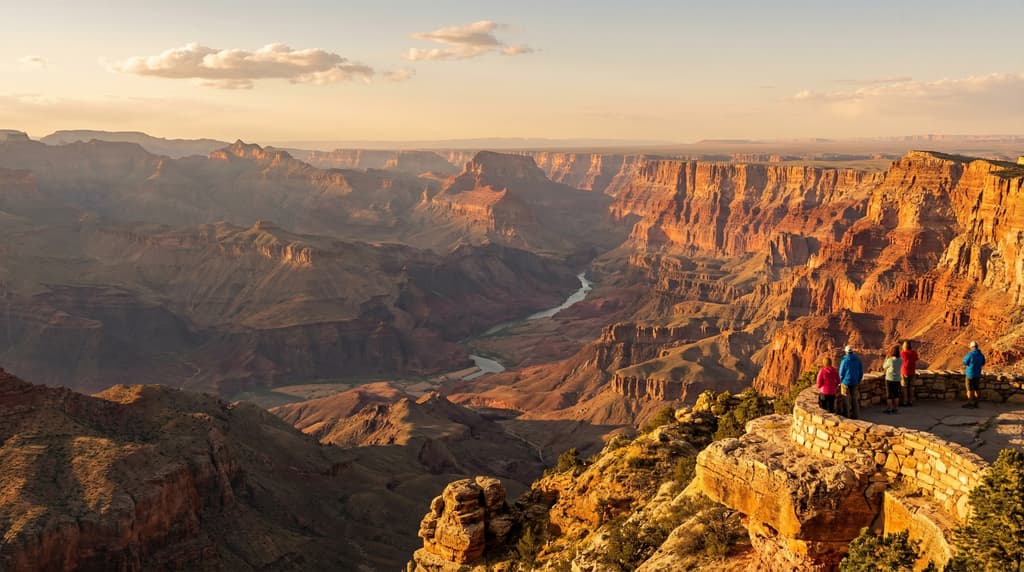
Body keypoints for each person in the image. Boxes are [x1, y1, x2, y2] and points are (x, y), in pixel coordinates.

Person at [839, 345, 864, 419]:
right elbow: (861, 372)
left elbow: (841, 373)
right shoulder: (858, 360)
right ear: (852, 352)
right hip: (855, 381)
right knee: (854, 399)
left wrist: (841, 381)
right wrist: (858, 380)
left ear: (846, 352)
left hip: (846, 382)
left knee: (845, 399)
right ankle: (856, 415)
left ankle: (846, 415)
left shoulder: (844, 361)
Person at [962, 341, 985, 409]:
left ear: (972, 347)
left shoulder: (970, 354)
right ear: (977, 347)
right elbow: (983, 363)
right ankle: (976, 403)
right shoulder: (981, 355)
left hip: (970, 374)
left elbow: (965, 362)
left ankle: (969, 403)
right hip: (977, 374)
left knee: (969, 389)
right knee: (976, 389)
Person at [882, 345, 902, 414]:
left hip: (889, 378)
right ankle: (895, 409)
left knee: (889, 395)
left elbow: (884, 366)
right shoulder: (901, 360)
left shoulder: (890, 360)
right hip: (897, 379)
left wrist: (886, 358)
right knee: (896, 394)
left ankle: (889, 409)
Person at [900, 340, 918, 407]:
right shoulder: (914, 353)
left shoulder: (903, 353)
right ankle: (910, 401)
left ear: (904, 346)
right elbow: (916, 359)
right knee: (911, 387)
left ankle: (905, 402)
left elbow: (899, 361)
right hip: (912, 371)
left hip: (904, 372)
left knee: (904, 387)